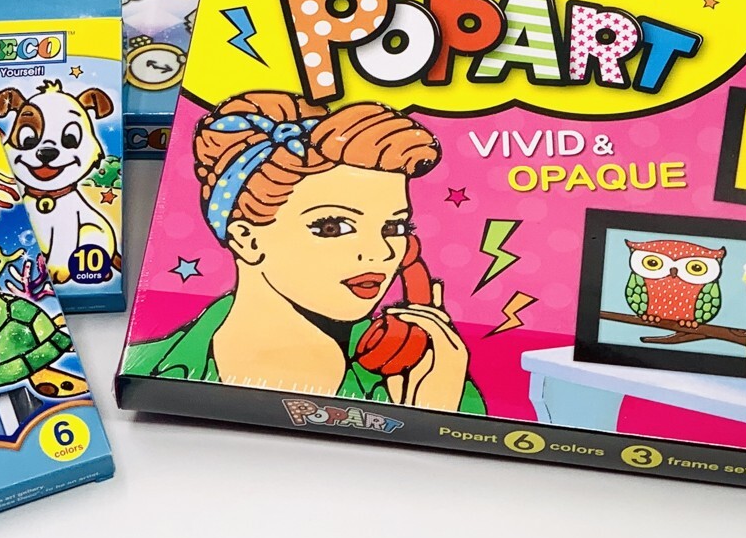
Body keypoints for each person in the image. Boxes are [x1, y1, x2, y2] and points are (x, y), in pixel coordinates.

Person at [123, 91, 483, 411]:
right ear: (247, 239)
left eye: (394, 228)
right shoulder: (150, 366)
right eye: (333, 226)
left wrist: (433, 412)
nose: (381, 253)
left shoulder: (426, 372)